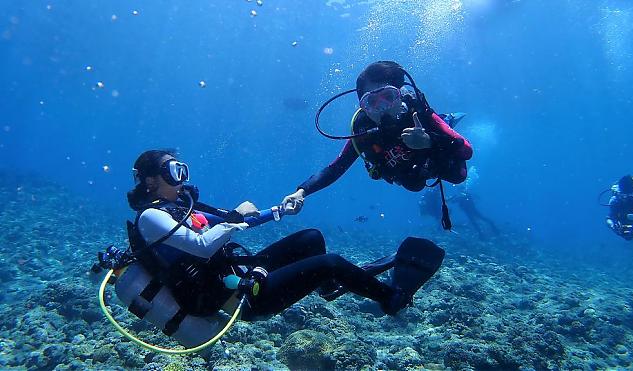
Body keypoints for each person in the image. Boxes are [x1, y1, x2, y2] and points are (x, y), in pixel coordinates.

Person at [112, 149, 444, 346]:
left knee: (311, 238)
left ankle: (328, 289)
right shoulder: (151, 217)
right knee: (328, 261)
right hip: (236, 298)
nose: (181, 178)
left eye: (181, 169)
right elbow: (201, 246)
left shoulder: (184, 205)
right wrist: (234, 220)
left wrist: (279, 211)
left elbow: (235, 219)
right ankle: (392, 299)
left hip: (238, 274)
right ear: (149, 180)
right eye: (172, 171)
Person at [281, 61, 473, 214]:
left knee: (458, 176)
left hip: (434, 157)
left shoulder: (417, 111)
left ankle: (446, 120)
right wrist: (302, 192)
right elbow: (336, 167)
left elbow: (466, 150)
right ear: (363, 107)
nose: (383, 108)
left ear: (399, 95)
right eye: (372, 101)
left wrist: (429, 141)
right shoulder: (364, 130)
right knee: (412, 184)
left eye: (388, 97)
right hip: (411, 173)